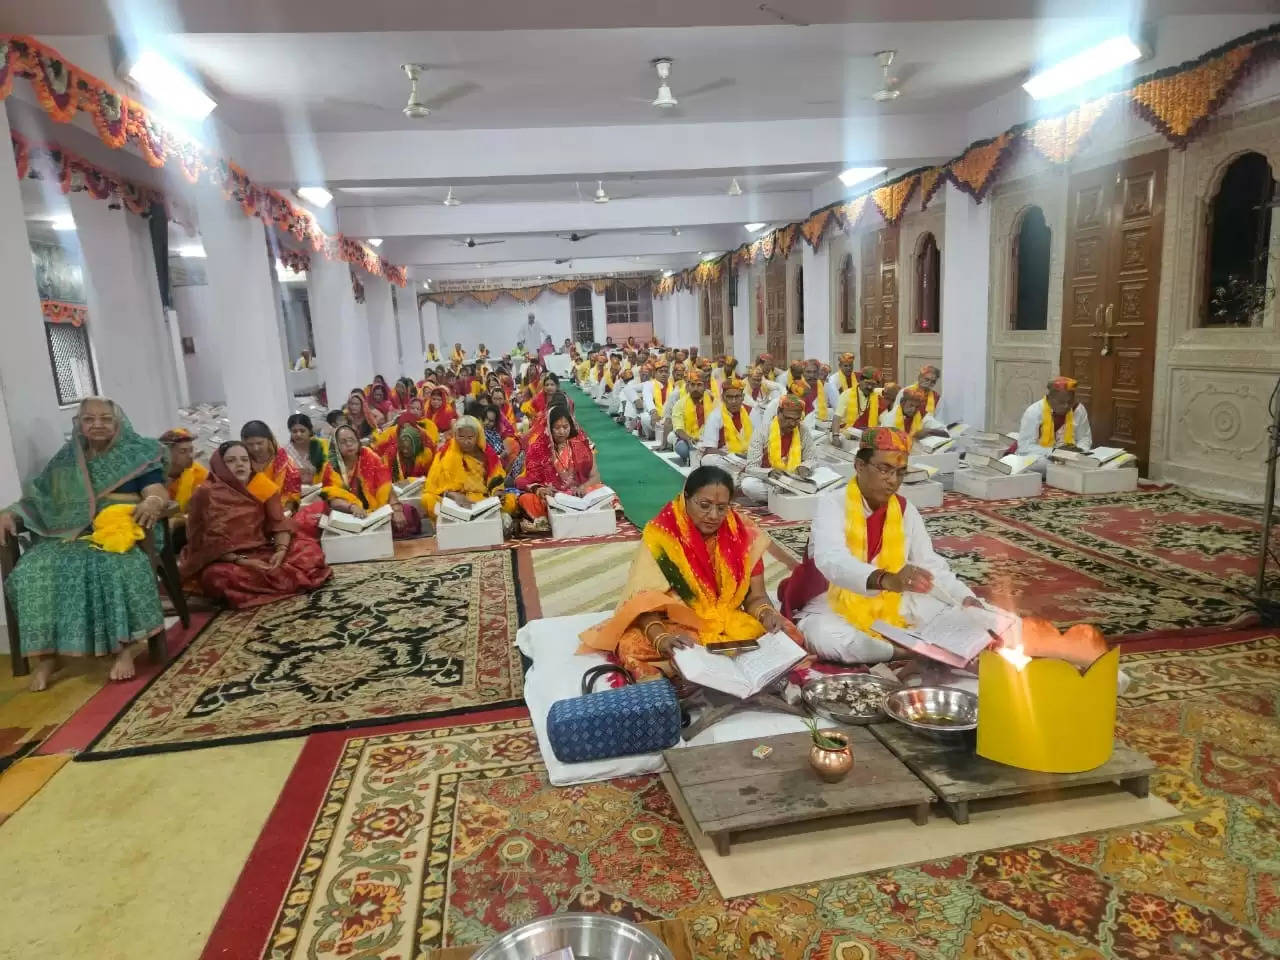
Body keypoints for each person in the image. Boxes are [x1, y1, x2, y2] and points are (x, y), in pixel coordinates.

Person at [0, 398, 168, 690]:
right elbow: (39, 498)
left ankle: (124, 649)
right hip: (71, 535)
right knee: (33, 568)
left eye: (105, 419)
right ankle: (48, 657)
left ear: (118, 423)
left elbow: (156, 491)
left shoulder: (137, 453)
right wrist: (11, 513)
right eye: (89, 419)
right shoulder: (66, 461)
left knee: (107, 565)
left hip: (123, 531)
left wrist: (153, 502)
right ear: (79, 424)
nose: (97, 425)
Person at [578, 467, 803, 679]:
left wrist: (767, 615)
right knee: (631, 646)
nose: (713, 515)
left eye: (722, 507)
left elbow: (756, 597)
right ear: (686, 498)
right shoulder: (662, 535)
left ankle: (706, 672)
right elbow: (642, 602)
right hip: (681, 626)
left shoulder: (742, 533)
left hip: (730, 619)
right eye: (704, 505)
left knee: (788, 635)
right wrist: (662, 638)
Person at [779, 427, 979, 664]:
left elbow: (930, 564)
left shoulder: (905, 509)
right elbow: (832, 560)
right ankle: (905, 651)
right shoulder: (832, 504)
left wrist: (964, 597)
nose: (893, 481)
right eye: (884, 469)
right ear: (859, 466)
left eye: (900, 472)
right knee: (826, 636)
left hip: (891, 600)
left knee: (966, 615)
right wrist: (884, 579)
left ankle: (908, 644)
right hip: (832, 601)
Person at [180, 442, 331, 608]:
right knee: (217, 577)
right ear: (220, 465)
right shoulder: (206, 493)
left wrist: (281, 550)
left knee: (309, 550)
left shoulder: (261, 485)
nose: (240, 464)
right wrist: (243, 561)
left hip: (263, 548)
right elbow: (205, 544)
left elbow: (279, 522)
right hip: (226, 558)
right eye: (231, 460)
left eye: (244, 460)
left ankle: (272, 581)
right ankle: (280, 581)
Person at [319, 425, 416, 538]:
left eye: (352, 440)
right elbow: (332, 498)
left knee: (408, 513)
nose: (349, 444)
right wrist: (352, 507)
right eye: (343, 442)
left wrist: (396, 509)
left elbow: (385, 485)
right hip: (349, 513)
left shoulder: (369, 456)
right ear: (336, 446)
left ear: (358, 441)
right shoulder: (331, 467)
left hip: (376, 509)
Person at [422, 416, 514, 527]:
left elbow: (497, 478)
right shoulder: (445, 453)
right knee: (428, 499)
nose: (466, 442)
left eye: (470, 437)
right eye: (461, 437)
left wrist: (497, 492)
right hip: (454, 501)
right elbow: (434, 485)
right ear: (455, 436)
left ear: (478, 436)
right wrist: (454, 495)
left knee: (510, 501)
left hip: (481, 499)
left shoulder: (488, 454)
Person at [516, 406, 601, 524]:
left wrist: (582, 488)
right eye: (557, 428)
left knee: (601, 490)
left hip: (578, 495)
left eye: (565, 427)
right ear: (549, 428)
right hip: (552, 497)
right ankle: (548, 518)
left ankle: (550, 520)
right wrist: (540, 489)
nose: (562, 431)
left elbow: (595, 477)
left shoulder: (580, 446)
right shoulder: (537, 448)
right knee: (526, 499)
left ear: (571, 426)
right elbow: (528, 479)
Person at [739, 394, 819, 504]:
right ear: (778, 412)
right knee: (749, 485)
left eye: (796, 419)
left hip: (795, 480)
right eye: (788, 418)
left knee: (822, 472)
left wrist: (804, 467)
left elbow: (812, 458)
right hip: (770, 481)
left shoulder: (803, 430)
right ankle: (791, 497)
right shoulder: (762, 431)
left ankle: (783, 498)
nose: (792, 423)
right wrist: (770, 473)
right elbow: (751, 467)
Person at [1017, 376, 1093, 469]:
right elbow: (1025, 447)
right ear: (1049, 398)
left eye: (1070, 402)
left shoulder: (1078, 409)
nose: (1066, 406)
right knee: (1035, 464)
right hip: (1044, 457)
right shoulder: (1034, 412)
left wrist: (1079, 452)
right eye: (1061, 402)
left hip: (1072, 458)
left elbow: (1084, 438)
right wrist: (1055, 452)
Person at [241, 421, 303, 512]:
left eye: (260, 443)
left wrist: (281, 513)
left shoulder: (284, 462)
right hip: (249, 513)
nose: (255, 448)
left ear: (269, 440)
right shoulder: (241, 462)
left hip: (280, 512)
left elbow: (292, 495)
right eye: (250, 444)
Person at [699, 378, 753, 473]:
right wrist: (733, 456)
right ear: (723, 397)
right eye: (729, 397)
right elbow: (710, 449)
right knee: (707, 460)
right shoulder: (715, 416)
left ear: (743, 397)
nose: (733, 401)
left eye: (737, 397)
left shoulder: (752, 412)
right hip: (726, 456)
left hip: (749, 456)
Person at [667, 371, 714, 466]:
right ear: (687, 386)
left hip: (707, 439)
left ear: (705, 386)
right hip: (687, 438)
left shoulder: (713, 402)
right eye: (692, 385)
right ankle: (690, 457)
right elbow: (678, 428)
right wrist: (689, 439)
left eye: (699, 385)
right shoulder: (680, 404)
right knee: (683, 448)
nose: (695, 388)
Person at [160, 428, 208, 514]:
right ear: (166, 453)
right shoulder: (152, 474)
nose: (190, 455)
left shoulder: (200, 474)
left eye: (191, 450)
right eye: (183, 451)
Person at [833, 366, 881, 436]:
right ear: (860, 381)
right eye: (867, 383)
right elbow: (837, 417)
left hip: (867, 436)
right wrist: (835, 436)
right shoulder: (847, 394)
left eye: (873, 384)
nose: (870, 387)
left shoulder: (877, 397)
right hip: (846, 435)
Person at [285, 413, 327, 486]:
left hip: (324, 489)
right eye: (294, 431)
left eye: (302, 431)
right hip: (296, 492)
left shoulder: (321, 446)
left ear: (310, 431)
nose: (298, 434)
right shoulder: (285, 451)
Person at [641, 364, 675, 440]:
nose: (663, 374)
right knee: (645, 416)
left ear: (669, 374)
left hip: (668, 417)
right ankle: (651, 433)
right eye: (661, 371)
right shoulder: (649, 384)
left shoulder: (673, 385)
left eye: (666, 372)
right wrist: (653, 412)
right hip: (654, 417)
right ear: (655, 373)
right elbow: (648, 399)